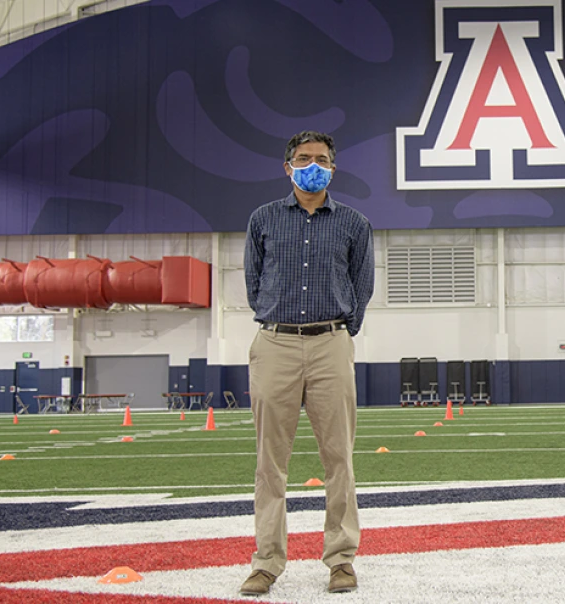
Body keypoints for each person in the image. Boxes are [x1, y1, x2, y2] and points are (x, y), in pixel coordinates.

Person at [240, 130, 375, 596]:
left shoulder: (354, 224)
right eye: (303, 158)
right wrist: (276, 322)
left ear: (333, 168)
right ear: (288, 166)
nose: (312, 164)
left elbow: (363, 285)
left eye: (320, 158)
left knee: (338, 458)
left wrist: (340, 331)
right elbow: (254, 283)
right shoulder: (263, 220)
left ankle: (341, 560)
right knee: (269, 463)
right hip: (274, 343)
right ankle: (266, 561)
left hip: (330, 343)